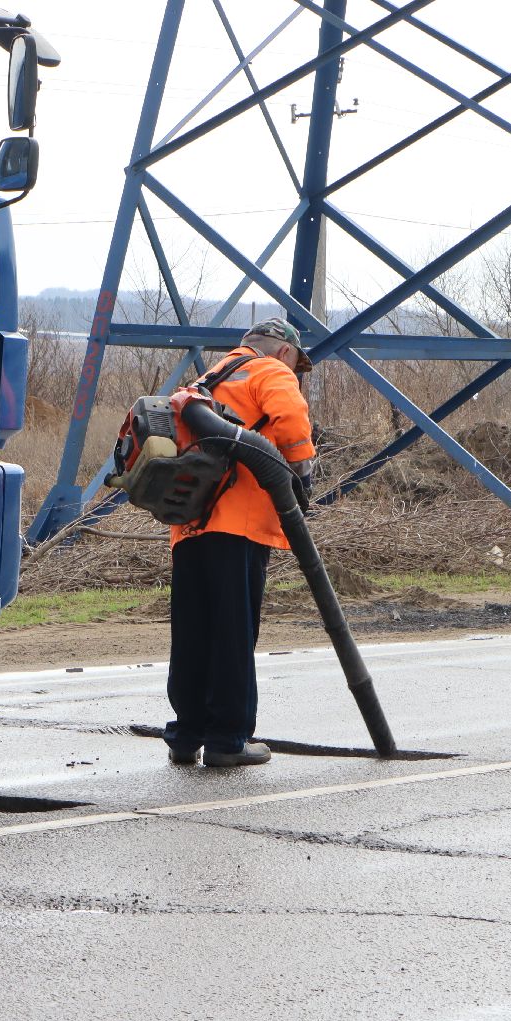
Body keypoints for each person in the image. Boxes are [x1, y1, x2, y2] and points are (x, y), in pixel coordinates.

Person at [165, 317, 316, 767]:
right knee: (233, 631)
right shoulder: (271, 370)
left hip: (190, 527)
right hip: (239, 524)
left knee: (193, 631)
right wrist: (303, 476)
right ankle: (229, 739)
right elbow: (290, 421)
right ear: (286, 351)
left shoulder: (206, 381)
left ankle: (186, 734)